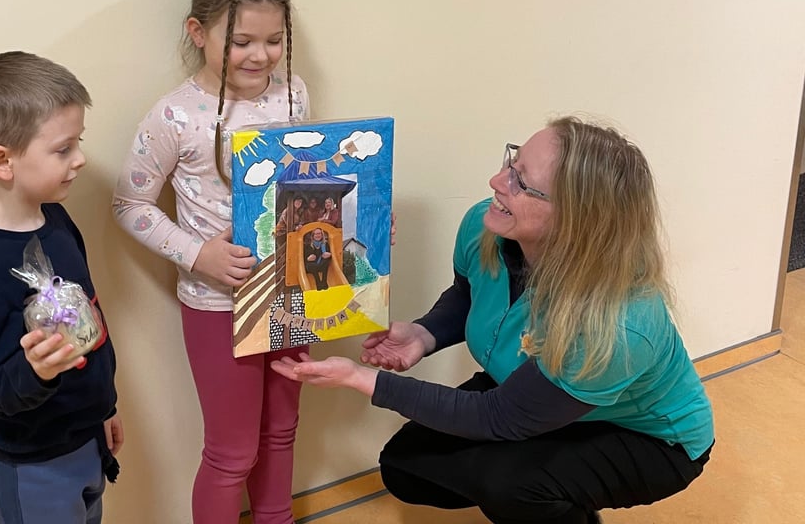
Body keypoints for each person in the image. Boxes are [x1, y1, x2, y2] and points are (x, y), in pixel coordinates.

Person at [273, 116, 715, 524]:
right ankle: (539, 483)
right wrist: (424, 333)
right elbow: (470, 292)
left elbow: (499, 418)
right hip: (531, 391)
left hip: (647, 437)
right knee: (405, 466)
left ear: (578, 220)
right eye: (512, 163)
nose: (497, 182)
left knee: (511, 486)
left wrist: (358, 378)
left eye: (522, 183)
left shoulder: (620, 323)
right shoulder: (486, 227)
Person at [112, 0, 308, 523]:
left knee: (282, 431)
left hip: (290, 291)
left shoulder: (294, 95)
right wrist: (198, 254)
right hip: (218, 304)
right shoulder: (174, 116)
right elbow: (129, 203)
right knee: (232, 452)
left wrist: (356, 218)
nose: (261, 55)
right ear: (199, 33)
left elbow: (308, 179)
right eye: (242, 40)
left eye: (274, 40)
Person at [0, 51, 122, 524]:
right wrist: (35, 370)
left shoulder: (57, 222)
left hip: (83, 440)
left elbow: (91, 327)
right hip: (31, 465)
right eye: (63, 149)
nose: (81, 159)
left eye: (77, 143)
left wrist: (105, 406)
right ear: (3, 161)